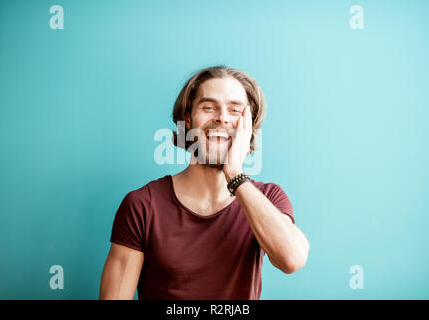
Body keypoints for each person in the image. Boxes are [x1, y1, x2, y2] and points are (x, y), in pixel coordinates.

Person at [99, 66, 310, 300]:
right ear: (188, 119)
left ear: (248, 125)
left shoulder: (268, 198)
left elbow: (292, 259)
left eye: (235, 110)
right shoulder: (143, 205)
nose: (222, 117)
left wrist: (234, 174)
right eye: (208, 107)